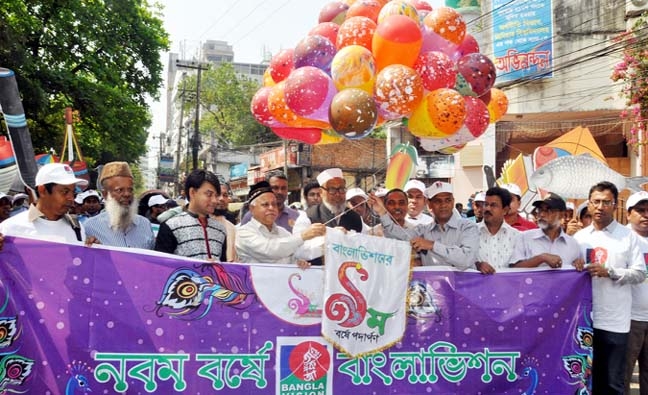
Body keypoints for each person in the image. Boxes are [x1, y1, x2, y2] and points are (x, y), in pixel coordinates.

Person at [574, 181, 646, 395]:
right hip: (585, 322)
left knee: (614, 383)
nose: (600, 206)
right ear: (588, 204)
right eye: (596, 201)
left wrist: (611, 272)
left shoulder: (628, 237)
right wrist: (574, 267)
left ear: (615, 206)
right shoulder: (579, 238)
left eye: (606, 202)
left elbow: (640, 273)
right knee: (586, 381)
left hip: (616, 322)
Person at [369, 181, 478, 269]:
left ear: (453, 202)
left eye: (447, 200)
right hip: (433, 292)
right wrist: (382, 212)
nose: (443, 205)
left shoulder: (468, 227)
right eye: (437, 201)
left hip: (463, 291)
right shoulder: (423, 230)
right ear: (429, 204)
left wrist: (432, 245)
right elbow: (397, 235)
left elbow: (467, 259)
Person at [236, 181, 326, 266]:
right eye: (265, 205)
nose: (271, 208)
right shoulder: (244, 232)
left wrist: (298, 263)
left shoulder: (283, 232)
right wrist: (302, 236)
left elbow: (294, 254)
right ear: (252, 209)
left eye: (274, 204)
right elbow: (270, 251)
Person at [0, 163, 93, 244]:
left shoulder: (77, 228)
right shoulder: (10, 228)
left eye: (73, 192)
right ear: (43, 190)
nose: (71, 198)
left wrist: (95, 251)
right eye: (65, 191)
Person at [293, 168, 363, 265]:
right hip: (317, 276)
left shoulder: (355, 217)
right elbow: (298, 252)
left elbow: (362, 249)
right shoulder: (307, 216)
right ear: (321, 192)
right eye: (332, 190)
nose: (338, 194)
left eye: (341, 189)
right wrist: (329, 238)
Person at [155, 169, 227, 261]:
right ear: (192, 192)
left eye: (216, 195)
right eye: (209, 194)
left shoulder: (220, 230)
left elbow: (224, 266)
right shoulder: (171, 226)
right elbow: (161, 266)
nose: (214, 200)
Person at [84, 161, 155, 249]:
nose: (127, 194)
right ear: (105, 194)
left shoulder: (145, 224)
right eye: (119, 190)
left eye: (130, 190)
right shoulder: (90, 227)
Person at [509, 193, 584, 270]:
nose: (541, 214)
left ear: (562, 215)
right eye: (540, 209)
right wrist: (541, 258)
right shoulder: (524, 238)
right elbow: (514, 270)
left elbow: (577, 272)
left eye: (548, 210)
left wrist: (578, 264)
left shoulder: (573, 244)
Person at [625, 191, 648, 395]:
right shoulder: (622, 240)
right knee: (623, 376)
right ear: (628, 214)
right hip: (629, 319)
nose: (646, 215)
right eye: (640, 210)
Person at [474, 187, 520, 274]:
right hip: (477, 287)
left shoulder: (516, 237)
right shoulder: (470, 233)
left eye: (493, 205)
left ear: (505, 210)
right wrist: (477, 265)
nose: (487, 209)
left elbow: (519, 269)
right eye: (486, 204)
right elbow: (460, 262)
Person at [213, 182, 237, 262]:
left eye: (225, 195)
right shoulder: (201, 223)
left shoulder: (232, 228)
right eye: (218, 195)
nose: (221, 199)